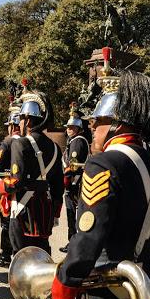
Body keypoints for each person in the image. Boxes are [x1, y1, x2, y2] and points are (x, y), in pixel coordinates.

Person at [51, 51, 150, 299]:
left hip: (109, 291)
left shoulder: (104, 163)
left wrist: (65, 286)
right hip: (148, 285)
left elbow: (89, 237)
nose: (91, 125)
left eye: (98, 120)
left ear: (116, 124)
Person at [0, 84, 63, 299]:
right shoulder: (55, 148)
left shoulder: (20, 144)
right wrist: (55, 213)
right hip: (44, 211)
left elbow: (15, 181)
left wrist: (0, 185)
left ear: (28, 119)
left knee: (21, 259)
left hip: (23, 209)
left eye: (23, 117)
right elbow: (58, 187)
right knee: (42, 258)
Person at [0, 102, 21, 268]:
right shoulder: (28, 142)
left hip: (6, 190)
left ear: (12, 126)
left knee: (6, 224)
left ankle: (5, 254)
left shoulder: (7, 143)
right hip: (25, 192)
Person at [59, 103, 90, 253]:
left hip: (74, 183)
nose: (68, 129)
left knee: (73, 214)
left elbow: (73, 165)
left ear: (78, 129)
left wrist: (67, 180)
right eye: (68, 127)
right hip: (74, 182)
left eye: (71, 127)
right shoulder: (74, 140)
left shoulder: (78, 141)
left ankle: (73, 242)